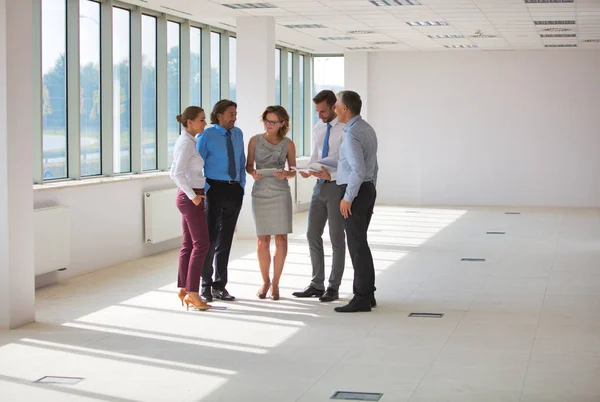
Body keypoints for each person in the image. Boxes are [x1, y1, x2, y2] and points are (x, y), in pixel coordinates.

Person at [292, 90, 346, 302]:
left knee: (336, 238)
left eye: (323, 111)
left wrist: (330, 173)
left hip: (336, 185)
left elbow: (347, 161)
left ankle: (333, 287)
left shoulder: (345, 129)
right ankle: (317, 283)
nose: (320, 115)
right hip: (319, 185)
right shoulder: (318, 128)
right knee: (312, 233)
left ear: (334, 107)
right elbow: (317, 155)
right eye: (317, 111)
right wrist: (307, 169)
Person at [333, 91, 378, 313]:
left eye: (336, 106)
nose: (334, 109)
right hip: (367, 190)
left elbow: (358, 170)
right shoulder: (366, 128)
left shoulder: (351, 134)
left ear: (345, 109)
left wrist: (347, 198)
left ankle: (361, 296)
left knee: (357, 246)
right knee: (361, 244)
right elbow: (373, 167)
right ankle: (367, 293)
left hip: (356, 192)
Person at [197, 100, 246, 302]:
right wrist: (207, 189)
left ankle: (220, 285)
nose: (234, 118)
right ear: (219, 116)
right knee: (210, 240)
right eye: (230, 114)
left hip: (234, 189)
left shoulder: (238, 134)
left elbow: (241, 160)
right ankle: (205, 285)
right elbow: (197, 164)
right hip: (214, 189)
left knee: (226, 240)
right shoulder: (207, 135)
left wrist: (241, 185)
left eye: (235, 114)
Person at [246, 106, 296, 300]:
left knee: (281, 238)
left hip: (281, 192)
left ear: (282, 123)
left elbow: (293, 171)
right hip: (260, 191)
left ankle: (276, 283)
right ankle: (265, 281)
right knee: (262, 240)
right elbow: (249, 166)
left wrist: (286, 174)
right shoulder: (254, 141)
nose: (268, 124)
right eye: (266, 120)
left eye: (273, 121)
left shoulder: (288, 144)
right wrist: (253, 173)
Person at [170, 106, 211, 311]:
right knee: (201, 244)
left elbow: (174, 171)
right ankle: (194, 292)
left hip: (189, 196)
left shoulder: (187, 141)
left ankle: (184, 289)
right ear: (189, 123)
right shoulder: (186, 143)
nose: (205, 123)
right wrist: (194, 196)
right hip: (190, 197)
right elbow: (176, 174)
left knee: (188, 244)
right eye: (202, 120)